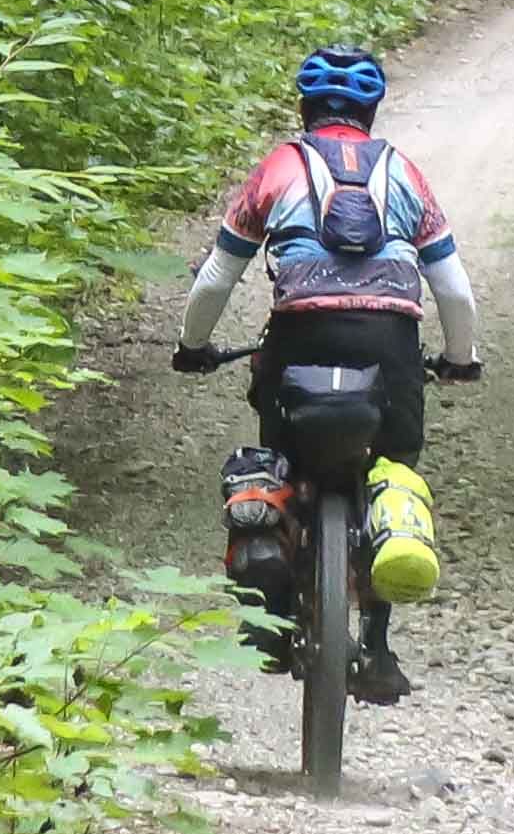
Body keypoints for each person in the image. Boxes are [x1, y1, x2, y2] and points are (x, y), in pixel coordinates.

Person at [171, 48, 482, 702]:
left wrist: (193, 345)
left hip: (299, 336)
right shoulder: (404, 173)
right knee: (392, 469)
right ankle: (375, 645)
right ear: (371, 112)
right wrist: (460, 359)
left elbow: (217, 277)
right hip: (390, 343)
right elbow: (453, 291)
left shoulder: (278, 168)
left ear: (304, 108)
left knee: (279, 461)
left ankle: (275, 617)